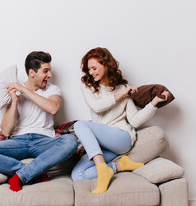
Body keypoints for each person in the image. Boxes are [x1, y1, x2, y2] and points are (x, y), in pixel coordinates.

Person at [71, 47, 170, 194]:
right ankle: (118, 166)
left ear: (106, 64)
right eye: (89, 69)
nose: (91, 73)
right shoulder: (87, 86)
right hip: (103, 145)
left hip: (122, 138)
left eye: (94, 68)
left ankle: (103, 170)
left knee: (80, 125)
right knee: (77, 175)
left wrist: (154, 103)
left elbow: (135, 121)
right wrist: (122, 95)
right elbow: (97, 107)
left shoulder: (123, 88)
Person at [0, 51, 78, 192]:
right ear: (32, 73)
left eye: (50, 71)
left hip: (43, 141)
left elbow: (53, 108)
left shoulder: (53, 90)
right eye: (45, 71)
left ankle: (22, 176)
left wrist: (24, 90)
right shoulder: (15, 94)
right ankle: (33, 171)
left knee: (70, 142)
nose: (50, 75)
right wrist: (15, 101)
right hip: (18, 141)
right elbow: (5, 131)